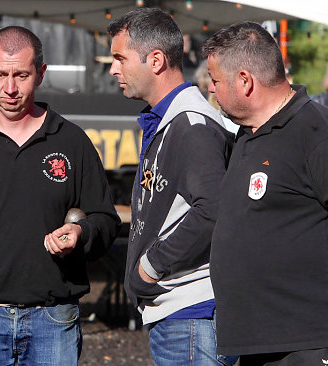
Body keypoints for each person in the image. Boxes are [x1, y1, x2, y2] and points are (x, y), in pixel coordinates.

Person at [0, 26, 121, 365]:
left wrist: (81, 233)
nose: (10, 88)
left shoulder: (71, 142)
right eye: (0, 74)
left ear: (41, 73)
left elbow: (105, 219)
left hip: (53, 320)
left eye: (21, 75)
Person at [202, 22, 328, 366]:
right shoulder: (250, 134)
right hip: (262, 341)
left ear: (245, 81)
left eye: (215, 81)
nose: (211, 89)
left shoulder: (319, 135)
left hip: (313, 340)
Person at [107, 8, 233, 366]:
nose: (113, 68)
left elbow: (213, 210)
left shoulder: (191, 125)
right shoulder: (173, 120)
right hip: (182, 314)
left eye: (120, 58)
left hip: (192, 314)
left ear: (156, 60)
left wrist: (150, 267)